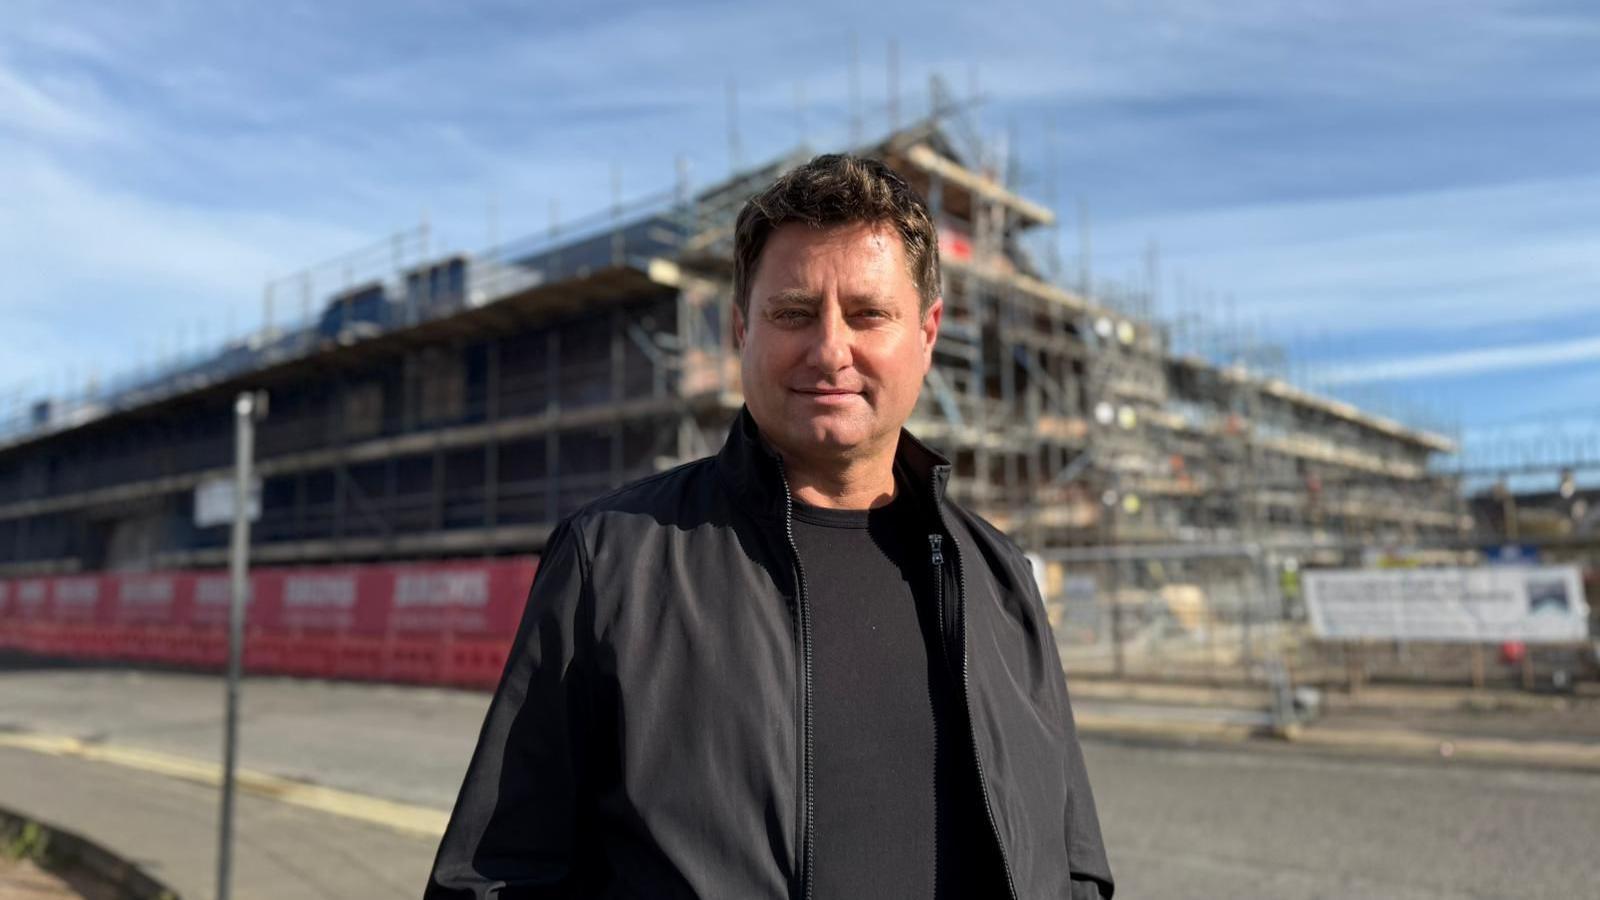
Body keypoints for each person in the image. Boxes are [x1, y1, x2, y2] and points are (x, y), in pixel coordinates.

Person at [425, 154, 1114, 899]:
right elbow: (494, 879)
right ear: (739, 329)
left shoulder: (999, 574)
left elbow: (1075, 866)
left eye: (868, 313)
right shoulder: (612, 560)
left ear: (927, 333)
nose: (829, 350)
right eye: (792, 313)